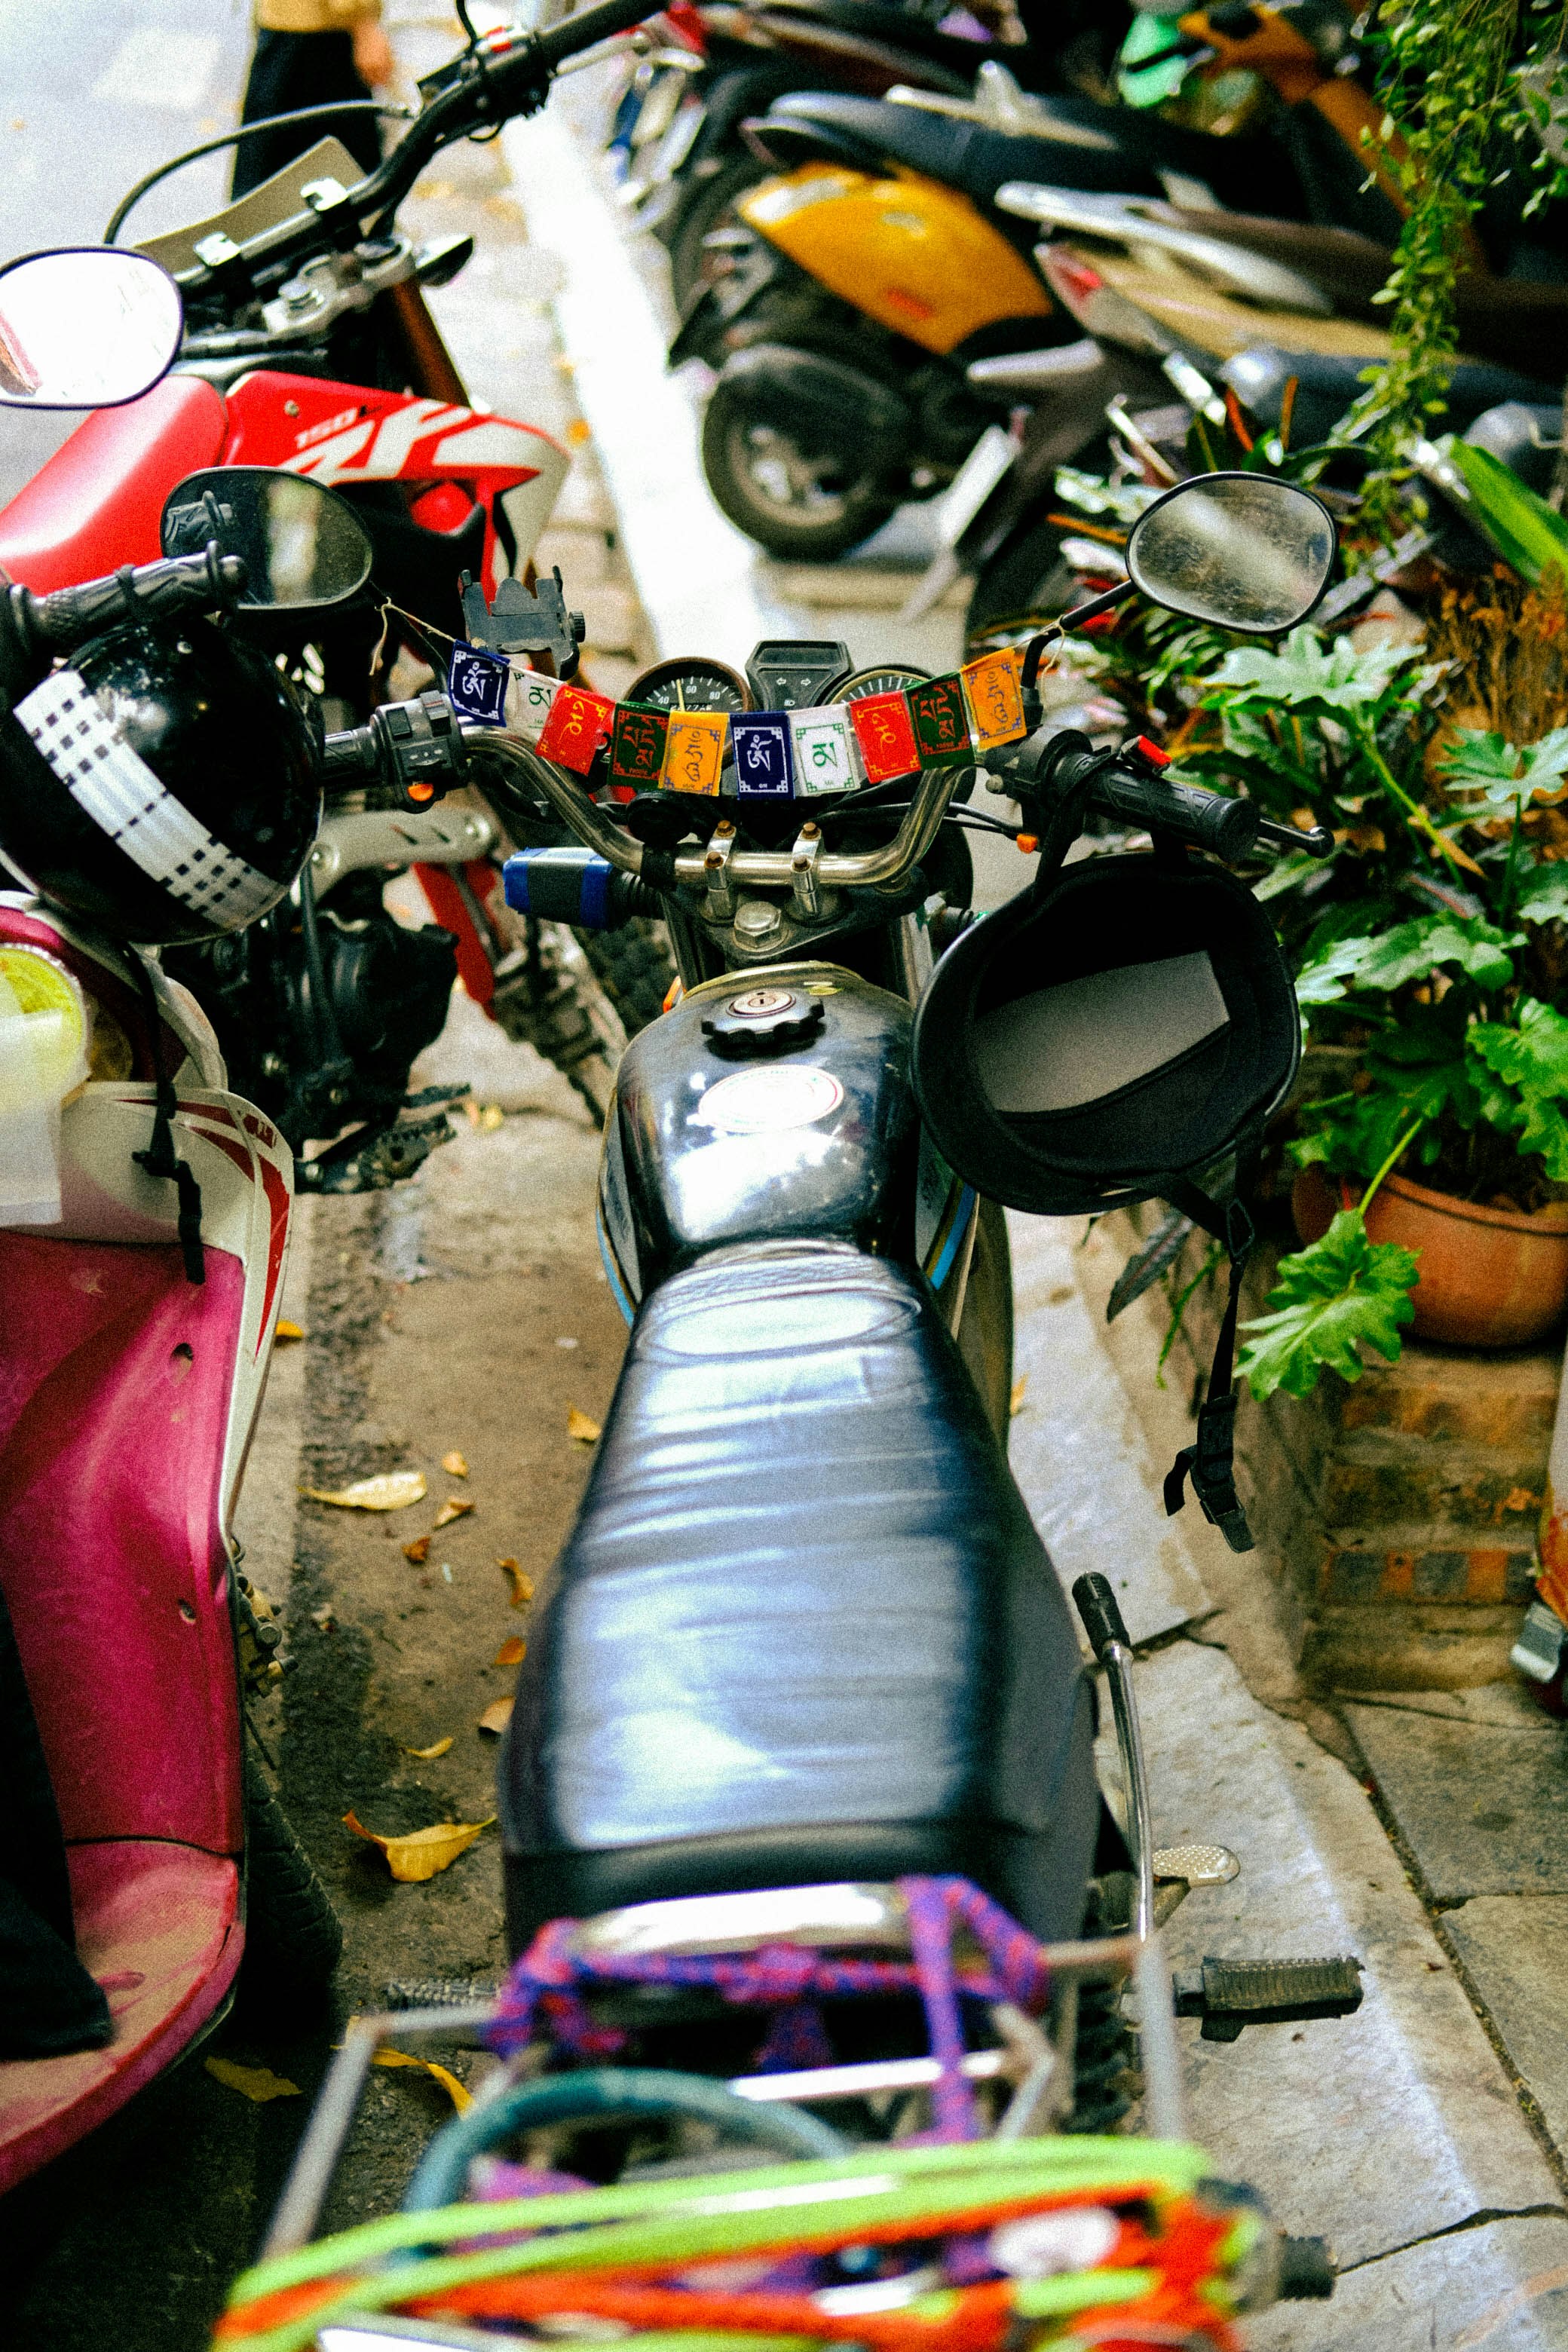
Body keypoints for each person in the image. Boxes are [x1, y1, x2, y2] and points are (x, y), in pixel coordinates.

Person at [231, 0, 394, 200]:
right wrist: (362, 20)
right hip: (317, 35)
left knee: (269, 196)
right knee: (346, 194)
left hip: (299, 29)